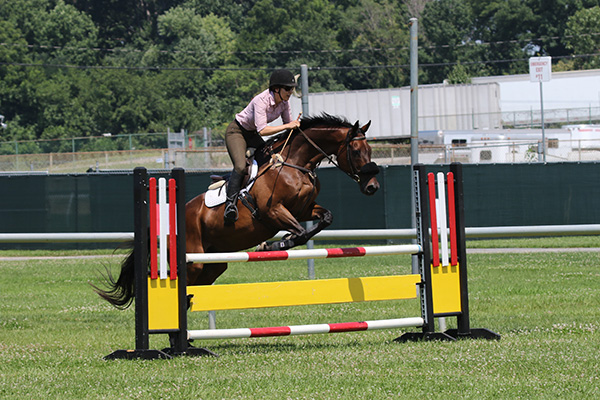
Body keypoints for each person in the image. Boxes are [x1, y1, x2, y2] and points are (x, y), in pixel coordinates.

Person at [223, 69, 301, 225]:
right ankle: (229, 205)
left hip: (252, 134)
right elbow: (263, 130)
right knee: (240, 166)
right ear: (276, 89)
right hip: (237, 131)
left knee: (271, 158)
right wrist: (289, 125)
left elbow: (289, 127)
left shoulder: (284, 103)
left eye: (292, 89)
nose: (290, 92)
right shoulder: (261, 100)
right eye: (287, 89)